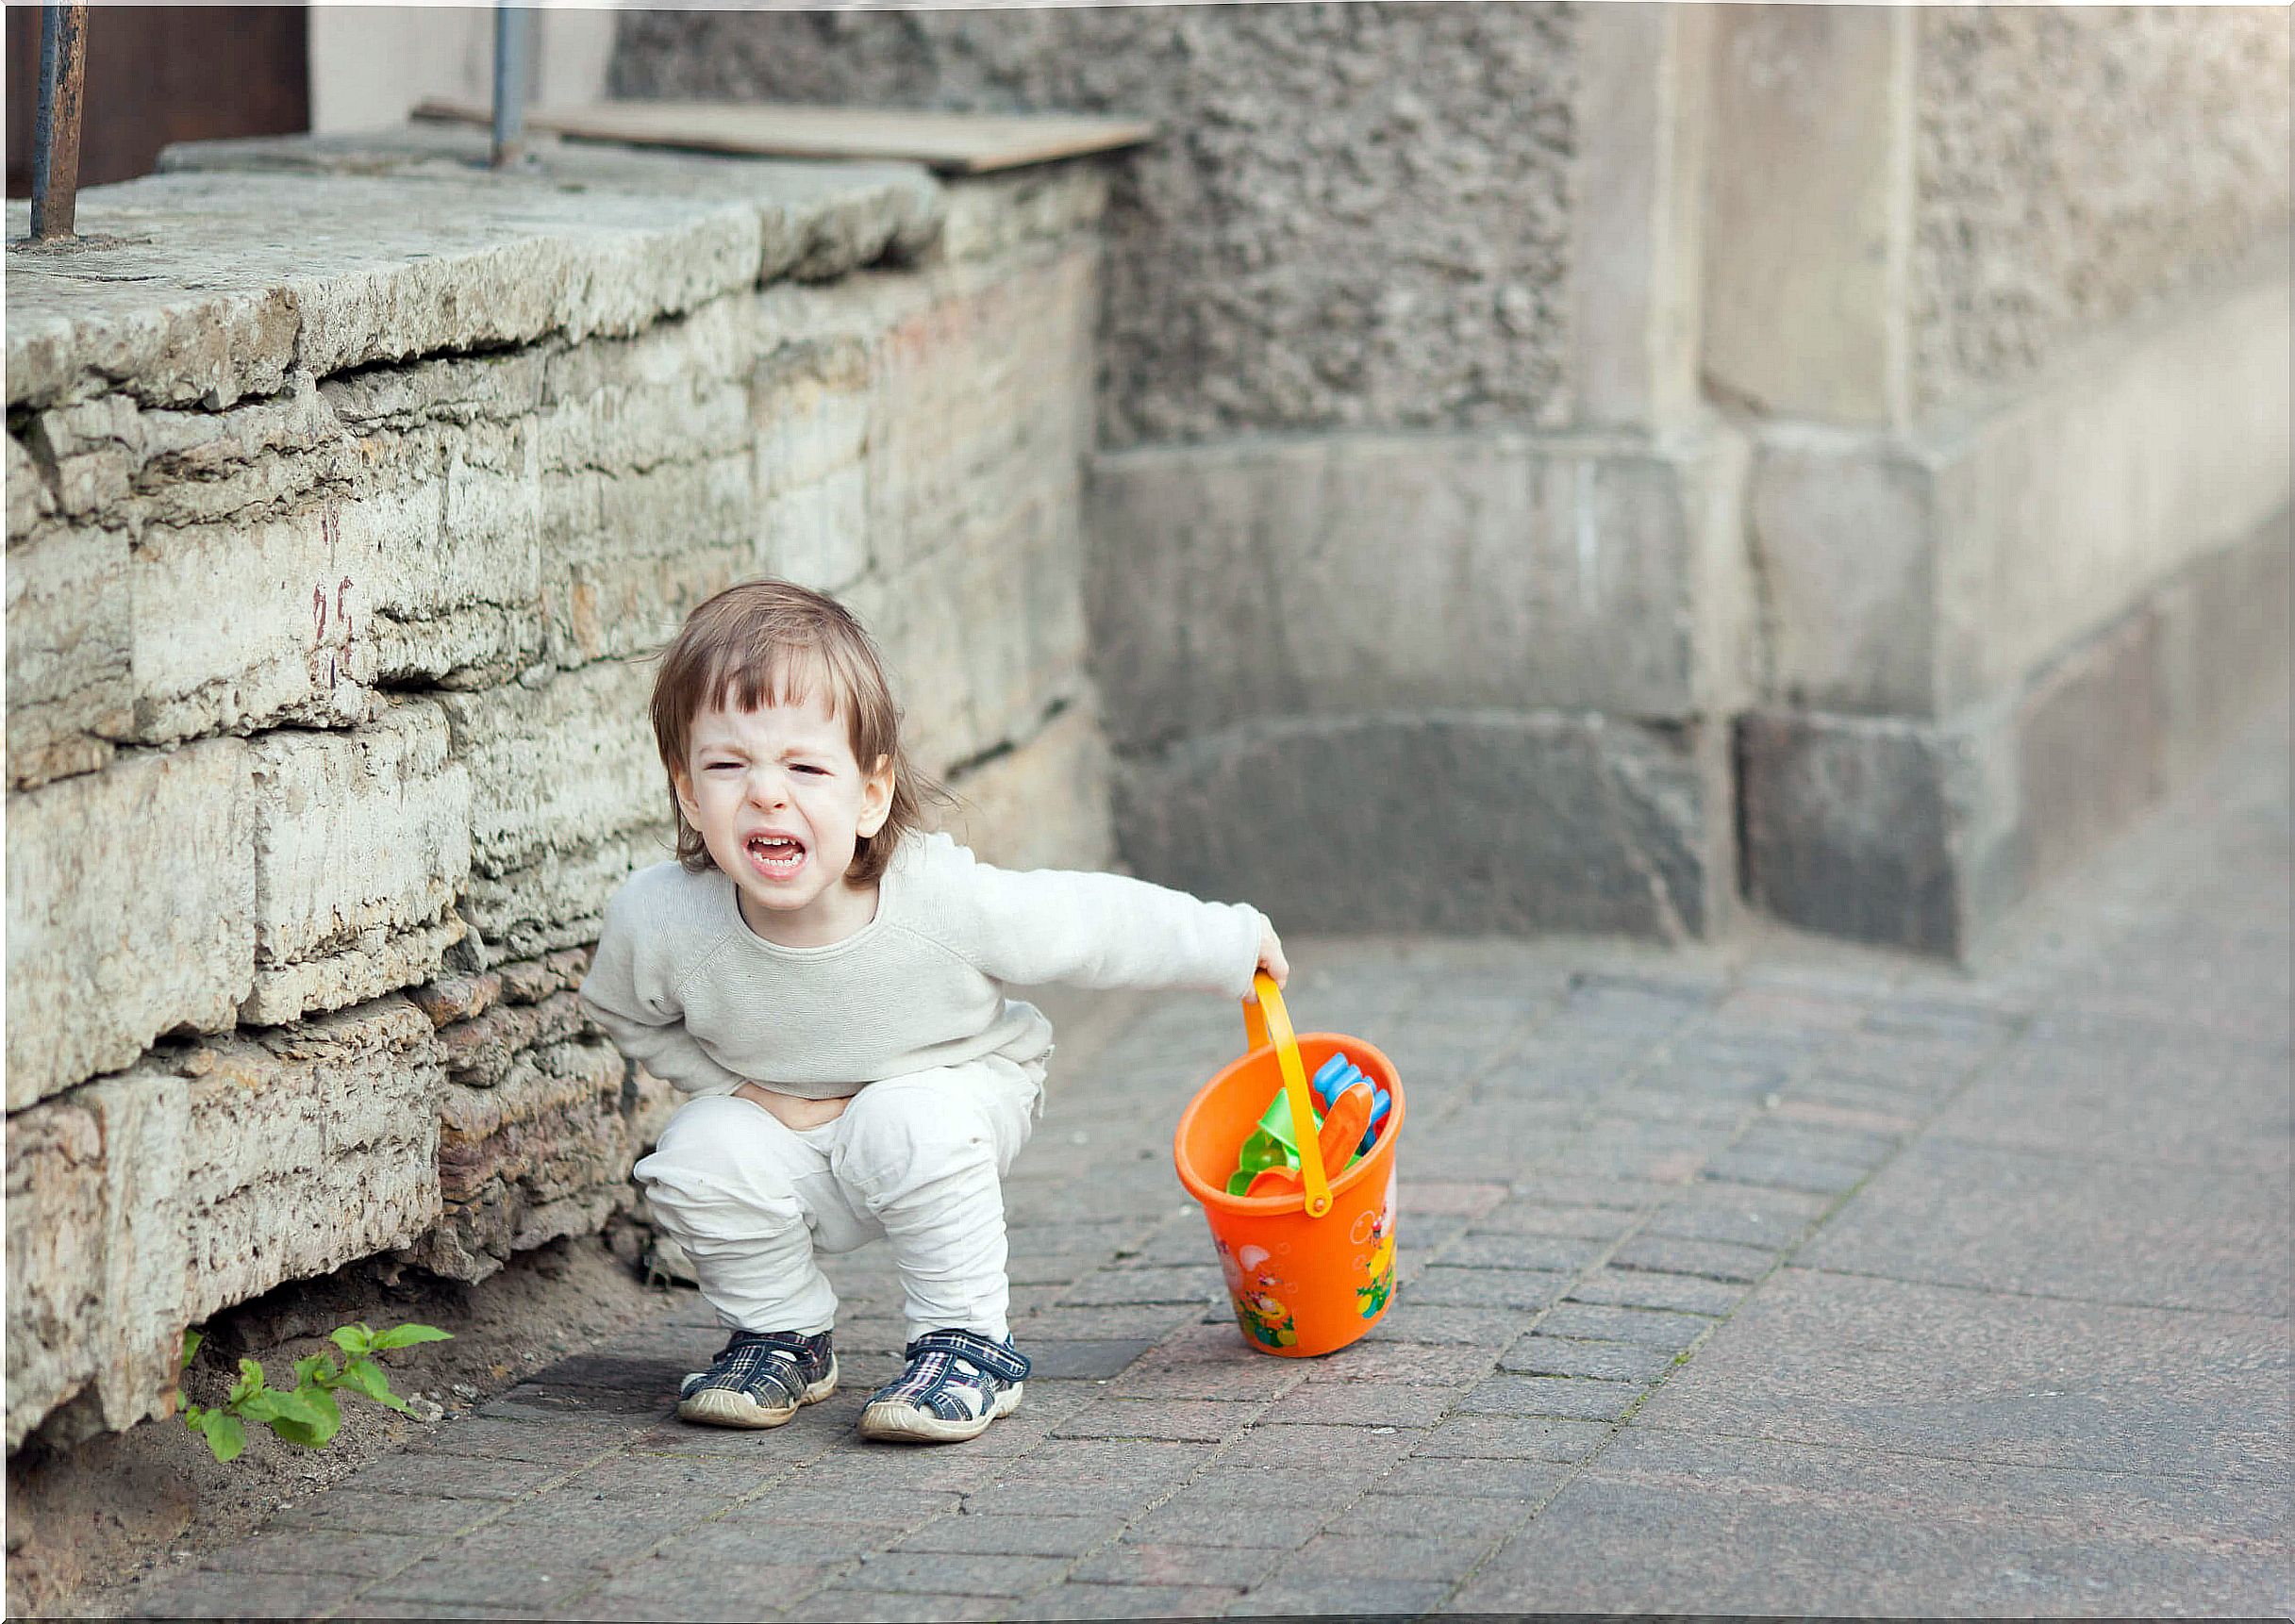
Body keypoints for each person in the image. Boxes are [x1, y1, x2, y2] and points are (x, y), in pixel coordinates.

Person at [579, 579, 1288, 1444]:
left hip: (956, 1093)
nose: (766, 794)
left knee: (902, 1117)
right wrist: (736, 1089)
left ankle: (966, 1343)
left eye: (804, 766)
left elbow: (1087, 923)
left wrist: (1227, 943)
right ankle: (782, 1336)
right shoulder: (660, 919)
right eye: (729, 765)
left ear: (870, 796)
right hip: (794, 1122)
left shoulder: (936, 899)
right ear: (689, 793)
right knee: (695, 1154)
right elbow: (625, 1014)